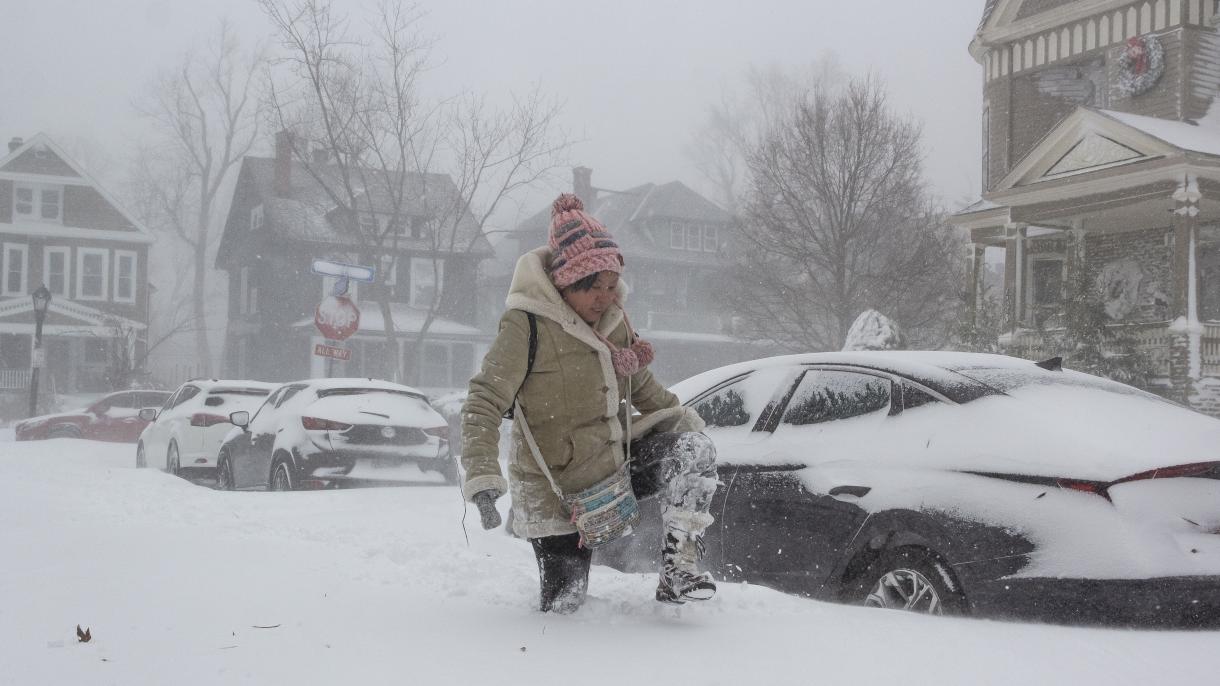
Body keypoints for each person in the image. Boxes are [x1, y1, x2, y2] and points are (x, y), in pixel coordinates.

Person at [461, 193, 720, 613]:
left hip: (613, 468)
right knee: (566, 608)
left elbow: (650, 393)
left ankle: (680, 570)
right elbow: (483, 401)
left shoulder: (614, 325)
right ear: (565, 283)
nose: (605, 298)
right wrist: (483, 477)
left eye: (611, 285)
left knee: (693, 448)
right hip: (556, 489)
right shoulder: (526, 324)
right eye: (592, 287)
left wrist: (697, 431)